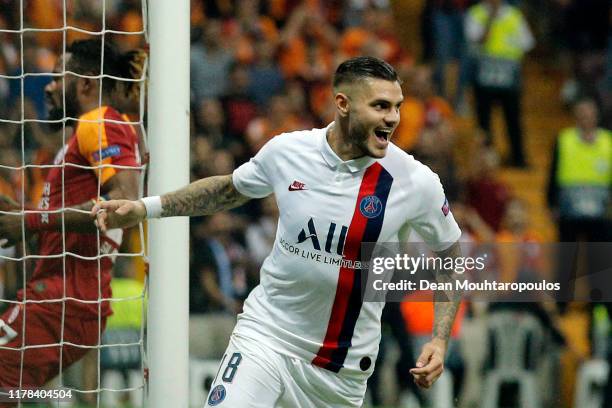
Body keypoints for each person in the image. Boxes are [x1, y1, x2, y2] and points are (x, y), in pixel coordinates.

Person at [94, 56, 463, 407]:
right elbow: (227, 190)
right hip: (266, 336)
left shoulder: (415, 183)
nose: (393, 118)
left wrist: (439, 338)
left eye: (397, 106)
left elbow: (451, 255)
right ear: (343, 103)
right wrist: (145, 208)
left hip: (339, 369)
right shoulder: (289, 151)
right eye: (381, 106)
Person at [0, 39, 142, 393]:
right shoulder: (82, 134)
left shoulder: (99, 121)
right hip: (63, 296)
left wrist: (29, 222)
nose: (48, 86)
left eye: (57, 77)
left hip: (67, 299)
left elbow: (125, 204)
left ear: (85, 83)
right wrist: (25, 215)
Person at [465, 0, 534, 167]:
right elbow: (476, 40)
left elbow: (528, 43)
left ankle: (518, 158)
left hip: (508, 77)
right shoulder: (476, 13)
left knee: (513, 118)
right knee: (484, 120)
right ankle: (486, 159)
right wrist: (490, 19)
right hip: (484, 76)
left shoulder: (514, 15)